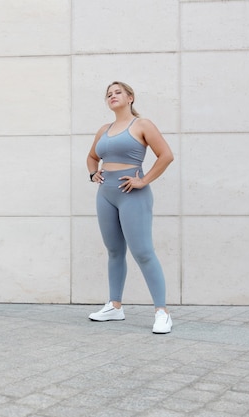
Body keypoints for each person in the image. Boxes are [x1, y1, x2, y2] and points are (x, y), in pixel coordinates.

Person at [86, 81, 175, 334]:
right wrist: (94, 174)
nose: (112, 96)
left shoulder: (142, 125)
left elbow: (166, 155)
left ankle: (162, 312)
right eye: (108, 95)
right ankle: (115, 306)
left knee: (143, 252)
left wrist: (143, 180)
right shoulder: (104, 129)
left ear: (130, 97)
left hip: (131, 194)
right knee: (114, 251)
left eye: (117, 93)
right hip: (106, 195)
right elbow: (92, 157)